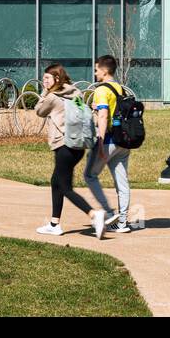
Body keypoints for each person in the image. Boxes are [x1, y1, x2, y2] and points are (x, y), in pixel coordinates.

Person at [33, 64, 102, 238]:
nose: (44, 82)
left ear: (57, 79)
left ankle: (94, 214)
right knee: (56, 181)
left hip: (63, 146)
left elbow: (39, 111)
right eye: (43, 78)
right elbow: (83, 111)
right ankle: (54, 224)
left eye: (47, 78)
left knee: (65, 187)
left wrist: (44, 93)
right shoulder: (75, 93)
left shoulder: (52, 97)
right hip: (78, 146)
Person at [84, 55, 132, 233]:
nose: (95, 72)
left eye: (96, 69)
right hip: (124, 142)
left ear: (104, 71)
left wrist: (101, 141)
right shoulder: (120, 88)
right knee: (122, 182)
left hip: (109, 139)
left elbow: (104, 116)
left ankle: (109, 212)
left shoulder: (101, 90)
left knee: (90, 175)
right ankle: (122, 222)